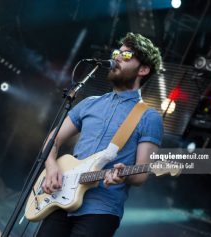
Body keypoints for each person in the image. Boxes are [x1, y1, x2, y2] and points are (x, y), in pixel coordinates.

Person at [37, 32, 164, 237]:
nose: (117, 58)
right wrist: (51, 166)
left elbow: (141, 174)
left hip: (101, 210)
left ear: (144, 69)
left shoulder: (149, 117)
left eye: (126, 55)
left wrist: (125, 175)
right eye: (117, 53)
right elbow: (53, 140)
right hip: (59, 201)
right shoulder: (90, 103)